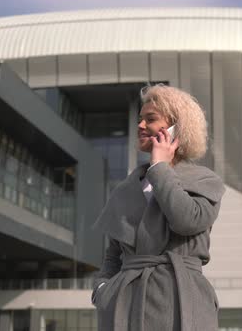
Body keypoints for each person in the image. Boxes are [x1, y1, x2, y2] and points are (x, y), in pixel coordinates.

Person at [92, 84, 226, 331]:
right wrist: (102, 290)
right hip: (124, 307)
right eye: (140, 119)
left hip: (183, 303)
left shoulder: (205, 181)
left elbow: (187, 221)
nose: (141, 126)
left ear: (177, 127)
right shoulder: (125, 188)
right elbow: (113, 256)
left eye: (150, 119)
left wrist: (159, 168)